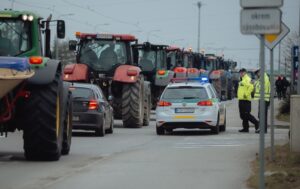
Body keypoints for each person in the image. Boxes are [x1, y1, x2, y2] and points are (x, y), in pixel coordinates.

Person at [237, 68, 259, 132]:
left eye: (242, 72)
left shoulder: (247, 79)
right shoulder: (242, 79)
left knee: (246, 114)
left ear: (245, 73)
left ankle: (256, 123)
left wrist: (246, 94)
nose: (240, 74)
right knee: (242, 115)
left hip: (246, 100)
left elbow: (251, 87)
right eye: (240, 73)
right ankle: (245, 128)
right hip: (241, 99)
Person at [253, 69, 270, 133]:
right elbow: (257, 84)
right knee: (261, 115)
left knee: (262, 115)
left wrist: (255, 84)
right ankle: (262, 129)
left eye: (257, 73)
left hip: (264, 99)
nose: (257, 75)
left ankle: (263, 129)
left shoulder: (264, 78)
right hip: (262, 99)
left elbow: (261, 87)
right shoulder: (262, 78)